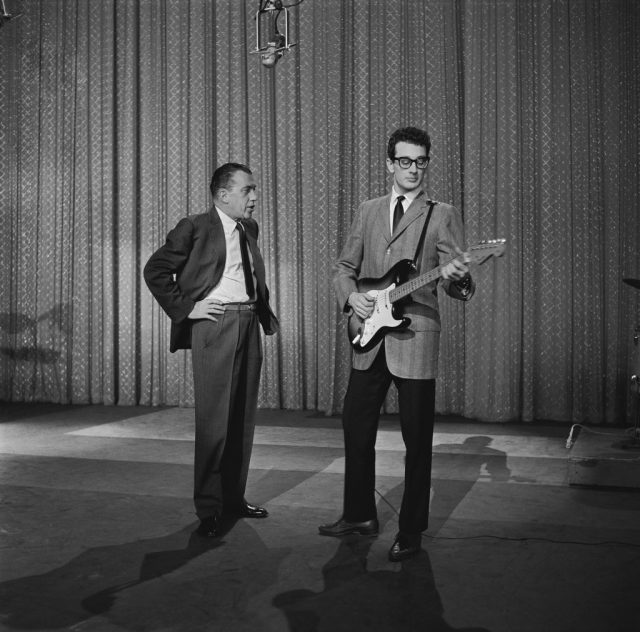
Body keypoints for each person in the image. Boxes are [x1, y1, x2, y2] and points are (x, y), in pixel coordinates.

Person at [319, 127, 475, 561]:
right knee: (356, 426)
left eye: (421, 161)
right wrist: (351, 296)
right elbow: (344, 266)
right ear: (390, 163)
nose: (413, 169)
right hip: (369, 336)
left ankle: (410, 530)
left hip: (416, 335)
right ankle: (358, 514)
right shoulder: (368, 210)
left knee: (417, 438)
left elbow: (459, 284)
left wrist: (460, 278)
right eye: (405, 161)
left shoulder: (441, 214)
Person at [144, 162, 279, 538]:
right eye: (247, 190)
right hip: (215, 326)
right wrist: (188, 309)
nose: (254, 198)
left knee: (241, 420)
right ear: (223, 195)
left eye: (254, 190)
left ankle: (233, 499)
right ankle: (209, 507)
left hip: (248, 323)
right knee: (214, 422)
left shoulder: (248, 228)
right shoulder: (195, 226)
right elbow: (155, 270)